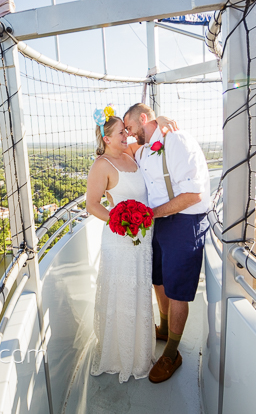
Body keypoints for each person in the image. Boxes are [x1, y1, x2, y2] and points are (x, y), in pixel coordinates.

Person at [86, 107, 177, 383]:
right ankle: (121, 356)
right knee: (122, 292)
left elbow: (155, 130)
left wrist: (161, 121)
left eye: (126, 131)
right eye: (120, 132)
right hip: (121, 240)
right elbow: (92, 205)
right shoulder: (101, 165)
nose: (126, 135)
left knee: (139, 290)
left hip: (143, 238)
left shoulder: (131, 153)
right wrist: (121, 221)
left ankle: (140, 350)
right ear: (106, 139)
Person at [123, 103, 210, 383]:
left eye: (130, 126)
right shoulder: (146, 149)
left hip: (184, 223)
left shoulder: (177, 140)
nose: (128, 132)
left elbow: (194, 194)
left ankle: (172, 353)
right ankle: (164, 327)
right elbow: (112, 148)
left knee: (177, 291)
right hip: (159, 222)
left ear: (144, 119)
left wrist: (153, 214)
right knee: (158, 279)